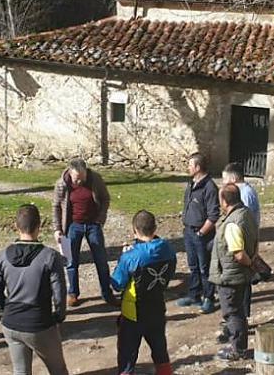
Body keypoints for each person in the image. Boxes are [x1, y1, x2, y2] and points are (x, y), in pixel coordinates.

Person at [0, 204, 69, 375]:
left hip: (11, 324)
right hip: (39, 324)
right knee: (58, 370)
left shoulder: (4, 255)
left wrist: (5, 310)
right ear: (39, 226)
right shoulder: (50, 256)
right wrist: (59, 315)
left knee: (21, 371)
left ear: (16, 226)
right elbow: (60, 293)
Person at [111, 210, 176, 375]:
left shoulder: (131, 257)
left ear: (134, 230)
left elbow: (117, 284)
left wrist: (124, 257)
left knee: (127, 357)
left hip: (133, 314)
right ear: (155, 228)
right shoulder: (168, 249)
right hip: (157, 308)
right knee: (161, 352)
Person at [52, 158, 117, 307]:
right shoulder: (62, 184)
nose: (80, 181)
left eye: (82, 178)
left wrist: (100, 219)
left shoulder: (95, 179)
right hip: (73, 226)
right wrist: (57, 229)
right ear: (70, 172)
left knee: (101, 260)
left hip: (93, 224)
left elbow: (105, 198)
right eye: (77, 178)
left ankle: (107, 293)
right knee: (71, 261)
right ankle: (73, 293)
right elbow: (56, 206)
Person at [209, 184, 258, 361]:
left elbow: (238, 254)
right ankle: (239, 345)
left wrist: (249, 262)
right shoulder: (246, 214)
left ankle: (237, 350)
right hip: (241, 274)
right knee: (239, 311)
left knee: (232, 312)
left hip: (231, 276)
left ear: (224, 200)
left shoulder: (231, 223)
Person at [220, 162, 261, 343]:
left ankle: (239, 324)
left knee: (241, 287)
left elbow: (246, 223)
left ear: (234, 179)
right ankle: (237, 321)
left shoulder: (245, 195)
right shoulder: (244, 192)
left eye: (225, 180)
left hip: (242, 247)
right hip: (241, 245)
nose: (223, 184)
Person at [177, 152, 220, 314]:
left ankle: (209, 297)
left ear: (198, 167)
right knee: (193, 266)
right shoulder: (191, 184)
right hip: (188, 231)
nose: (188, 167)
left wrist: (202, 233)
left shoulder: (209, 187)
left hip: (201, 234)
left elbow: (214, 214)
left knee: (205, 267)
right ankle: (194, 294)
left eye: (190, 165)